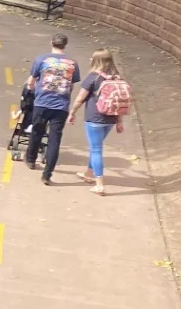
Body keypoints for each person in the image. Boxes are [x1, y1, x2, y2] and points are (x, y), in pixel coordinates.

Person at [68, 48, 128, 196]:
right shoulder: (117, 77)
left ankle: (99, 185)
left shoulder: (93, 77)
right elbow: (120, 101)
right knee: (95, 147)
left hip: (95, 119)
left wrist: (72, 112)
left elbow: (80, 98)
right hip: (111, 119)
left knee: (96, 150)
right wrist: (120, 121)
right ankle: (88, 173)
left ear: (97, 61)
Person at [23, 32, 78, 184]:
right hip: (61, 106)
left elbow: (31, 81)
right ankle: (47, 174)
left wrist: (31, 89)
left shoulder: (42, 59)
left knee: (37, 131)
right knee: (55, 139)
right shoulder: (72, 63)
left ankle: (31, 159)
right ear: (65, 45)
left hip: (42, 103)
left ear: (51, 42)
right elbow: (72, 85)